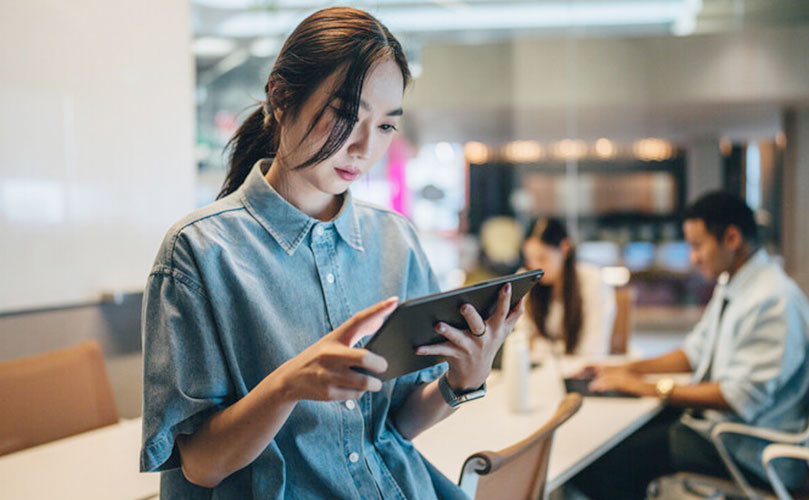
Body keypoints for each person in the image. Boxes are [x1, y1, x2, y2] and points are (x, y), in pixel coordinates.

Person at [139, 7, 523, 499]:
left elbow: (394, 426)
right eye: (346, 115)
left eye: (385, 126)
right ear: (280, 98)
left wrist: (461, 382)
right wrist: (288, 386)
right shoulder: (199, 253)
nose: (364, 147)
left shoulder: (395, 242)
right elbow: (201, 465)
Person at [571, 191, 809, 499]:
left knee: (604, 464)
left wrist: (650, 388)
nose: (692, 257)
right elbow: (694, 353)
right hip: (719, 429)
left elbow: (739, 398)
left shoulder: (773, 300)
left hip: (749, 449)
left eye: (697, 246)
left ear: (732, 238)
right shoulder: (734, 286)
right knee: (611, 440)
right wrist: (624, 368)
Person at [513, 218, 616, 358]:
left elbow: (593, 350)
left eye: (542, 258)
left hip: (580, 372)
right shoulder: (526, 279)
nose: (535, 268)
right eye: (529, 260)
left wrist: (542, 347)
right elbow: (522, 343)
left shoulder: (592, 281)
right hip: (541, 372)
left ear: (565, 247)